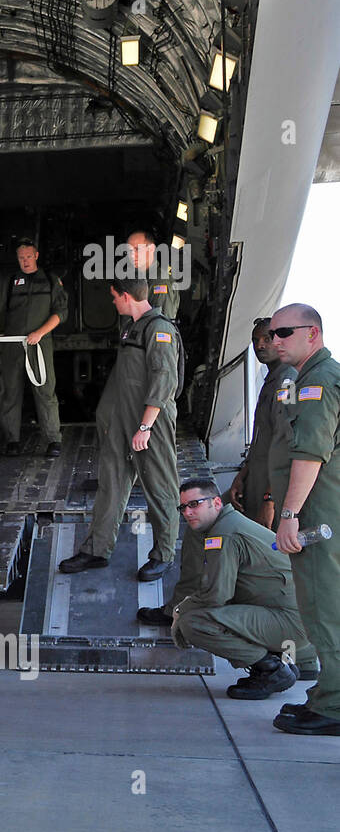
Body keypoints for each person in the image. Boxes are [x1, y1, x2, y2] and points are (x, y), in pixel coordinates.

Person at [137, 478, 318, 698]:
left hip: (289, 622)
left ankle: (270, 670)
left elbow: (216, 595)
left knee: (193, 622)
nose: (188, 512)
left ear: (215, 503)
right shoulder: (230, 523)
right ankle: (298, 659)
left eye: (195, 504)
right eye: (183, 507)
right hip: (300, 617)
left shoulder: (224, 534)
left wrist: (179, 611)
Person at [59, 277, 181, 581]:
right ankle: (97, 549)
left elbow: (164, 381)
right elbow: (124, 378)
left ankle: (164, 554)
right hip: (123, 419)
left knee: (160, 487)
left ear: (126, 296)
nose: (113, 302)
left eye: (115, 297)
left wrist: (145, 426)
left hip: (150, 421)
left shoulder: (159, 328)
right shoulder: (131, 328)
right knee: (111, 482)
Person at [268, 303, 340, 735]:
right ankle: (327, 693)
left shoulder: (318, 383)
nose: (275, 341)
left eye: (284, 332)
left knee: (325, 606)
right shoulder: (303, 379)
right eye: (271, 333)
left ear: (312, 333)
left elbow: (311, 455)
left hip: (316, 511)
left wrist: (289, 514)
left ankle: (335, 707)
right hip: (315, 507)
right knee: (317, 605)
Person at [0, 238, 68, 457]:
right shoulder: (10, 282)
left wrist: (39, 333)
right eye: (21, 257)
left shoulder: (50, 280)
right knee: (11, 392)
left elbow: (60, 313)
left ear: (36, 256)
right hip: (13, 346)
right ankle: (12, 440)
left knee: (45, 392)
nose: (25, 261)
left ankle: (53, 440)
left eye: (29, 256)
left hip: (39, 345)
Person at [228, 318, 297, 529]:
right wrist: (242, 476)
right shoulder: (271, 380)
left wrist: (270, 499)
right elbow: (261, 439)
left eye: (267, 339)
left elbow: (287, 442)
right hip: (257, 480)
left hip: (273, 490)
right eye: (255, 340)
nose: (260, 345)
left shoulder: (288, 381)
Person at [127, 229, 180, 321]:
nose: (132, 255)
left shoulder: (159, 282)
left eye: (137, 249)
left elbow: (162, 326)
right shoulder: (141, 278)